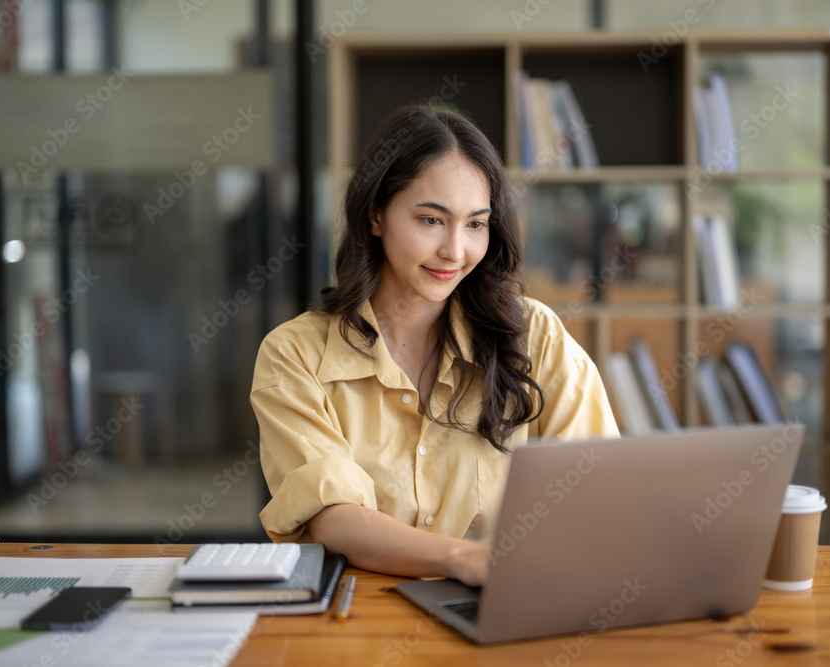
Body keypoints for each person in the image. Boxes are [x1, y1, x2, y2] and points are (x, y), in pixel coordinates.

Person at [251, 104, 618, 587]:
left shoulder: (536, 337)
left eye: (475, 224)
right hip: (366, 620)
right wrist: (464, 560)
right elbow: (332, 517)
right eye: (431, 220)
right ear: (376, 215)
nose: (455, 251)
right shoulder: (295, 354)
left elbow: (599, 489)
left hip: (506, 604)